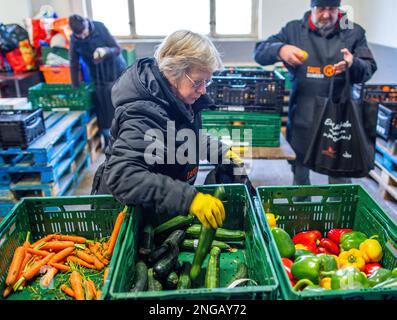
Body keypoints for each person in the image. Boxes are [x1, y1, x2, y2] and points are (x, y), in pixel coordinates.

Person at [91, 30, 251, 229]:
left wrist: (220, 151)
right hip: (124, 216)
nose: (203, 90)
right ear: (173, 71)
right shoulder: (141, 112)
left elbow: (182, 137)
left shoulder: (179, 96)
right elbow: (123, 175)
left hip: (155, 206)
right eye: (198, 82)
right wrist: (189, 199)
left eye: (207, 81)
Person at [253, 0, 377, 188]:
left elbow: (369, 68)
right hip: (303, 118)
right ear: (311, 8)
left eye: (332, 9)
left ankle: (338, 214)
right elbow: (259, 53)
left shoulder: (353, 32)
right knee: (300, 175)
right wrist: (280, 49)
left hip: (339, 121)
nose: (327, 14)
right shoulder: (293, 30)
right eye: (321, 9)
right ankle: (301, 211)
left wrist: (353, 63)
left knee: (339, 179)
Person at [68, 14, 127, 147]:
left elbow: (117, 49)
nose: (82, 37)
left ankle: (123, 140)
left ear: (87, 25)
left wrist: (105, 51)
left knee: (117, 105)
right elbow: (74, 64)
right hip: (97, 76)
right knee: (103, 109)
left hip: (114, 71)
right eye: (79, 36)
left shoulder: (99, 27)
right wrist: (75, 87)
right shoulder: (74, 40)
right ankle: (109, 143)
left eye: (83, 33)